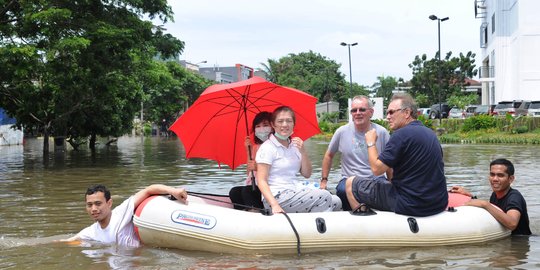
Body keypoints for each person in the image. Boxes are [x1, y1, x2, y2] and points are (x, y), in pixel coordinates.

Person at [344, 93, 448, 217]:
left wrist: (371, 142)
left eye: (391, 112)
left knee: (350, 183)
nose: (387, 117)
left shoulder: (400, 135)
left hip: (410, 204)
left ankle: (364, 225)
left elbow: (376, 170)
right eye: (387, 113)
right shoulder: (430, 134)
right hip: (438, 203)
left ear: (407, 113)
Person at [256, 106, 342, 214]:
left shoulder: (294, 145)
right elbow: (261, 180)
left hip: (294, 191)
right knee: (324, 196)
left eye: (289, 121)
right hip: (277, 196)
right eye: (280, 121)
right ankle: (313, 227)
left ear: (293, 124)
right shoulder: (267, 147)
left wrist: (303, 152)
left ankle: (310, 222)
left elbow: (307, 174)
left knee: (336, 201)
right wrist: (274, 205)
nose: (285, 125)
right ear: (273, 125)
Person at [321, 95, 392, 210]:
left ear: (371, 112)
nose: (357, 113)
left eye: (362, 109)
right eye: (354, 110)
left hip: (375, 179)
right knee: (342, 190)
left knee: (386, 189)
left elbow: (389, 162)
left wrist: (392, 182)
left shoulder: (382, 132)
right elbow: (329, 156)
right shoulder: (341, 132)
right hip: (349, 179)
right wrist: (324, 181)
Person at [61, 184, 188, 247]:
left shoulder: (122, 212)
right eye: (89, 205)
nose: (94, 209)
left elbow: (148, 190)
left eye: (98, 204)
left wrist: (173, 191)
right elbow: (68, 241)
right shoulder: (90, 232)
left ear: (109, 203)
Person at [450, 158, 531, 235]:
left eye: (500, 175)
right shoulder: (495, 195)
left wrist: (485, 204)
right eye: (492, 174)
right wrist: (470, 196)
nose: (495, 179)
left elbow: (512, 224)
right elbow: (494, 211)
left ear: (511, 179)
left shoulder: (514, 197)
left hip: (519, 242)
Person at [229, 111, 272, 210]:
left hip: (269, 185)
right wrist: (248, 151)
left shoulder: (274, 146)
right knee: (234, 192)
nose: (261, 129)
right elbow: (249, 172)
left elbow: (277, 169)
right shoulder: (256, 147)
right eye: (258, 126)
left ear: (272, 127)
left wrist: (258, 167)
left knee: (247, 191)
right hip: (256, 183)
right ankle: (245, 213)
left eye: (265, 125)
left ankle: (256, 212)